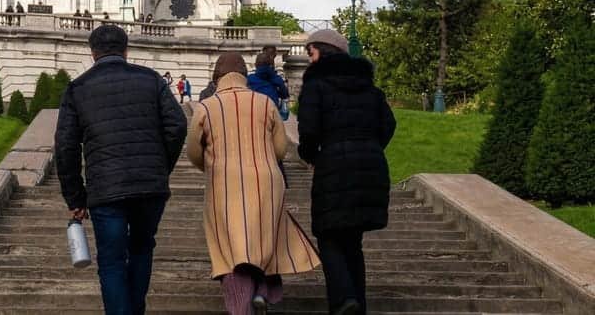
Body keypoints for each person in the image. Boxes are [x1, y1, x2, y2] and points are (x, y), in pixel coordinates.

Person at [55, 25, 187, 315]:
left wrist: (75, 198)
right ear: (126, 50)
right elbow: (177, 126)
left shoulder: (78, 88)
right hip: (149, 187)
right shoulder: (151, 80)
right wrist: (160, 168)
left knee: (112, 261)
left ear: (92, 53)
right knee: (142, 248)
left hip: (106, 190)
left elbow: (65, 148)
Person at [188, 52, 320, 314]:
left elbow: (193, 150)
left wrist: (210, 166)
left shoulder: (206, 107)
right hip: (267, 179)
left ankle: (242, 306)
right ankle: (262, 289)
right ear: (244, 74)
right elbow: (280, 149)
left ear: (217, 77)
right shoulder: (265, 102)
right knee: (263, 236)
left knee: (230, 248)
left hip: (224, 183)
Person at [297, 30, 396, 315]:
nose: (309, 58)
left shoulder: (316, 87)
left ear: (322, 52)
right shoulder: (370, 88)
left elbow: (309, 130)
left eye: (311, 52)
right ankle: (356, 305)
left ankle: (343, 299)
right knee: (353, 241)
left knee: (328, 234)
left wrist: (311, 155)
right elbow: (388, 124)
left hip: (333, 164)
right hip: (371, 169)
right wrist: (370, 148)